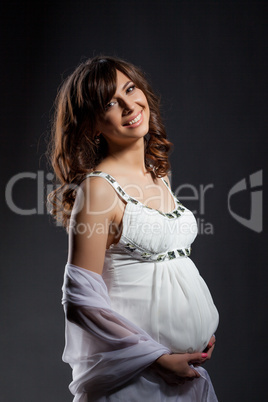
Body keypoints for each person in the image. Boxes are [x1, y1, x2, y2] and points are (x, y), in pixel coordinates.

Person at [47, 55, 219, 402]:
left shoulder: (159, 173)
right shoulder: (98, 191)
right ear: (92, 125)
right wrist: (158, 358)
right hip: (136, 381)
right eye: (111, 103)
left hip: (185, 375)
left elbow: (170, 267)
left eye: (130, 89)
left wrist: (198, 332)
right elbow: (81, 301)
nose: (129, 106)